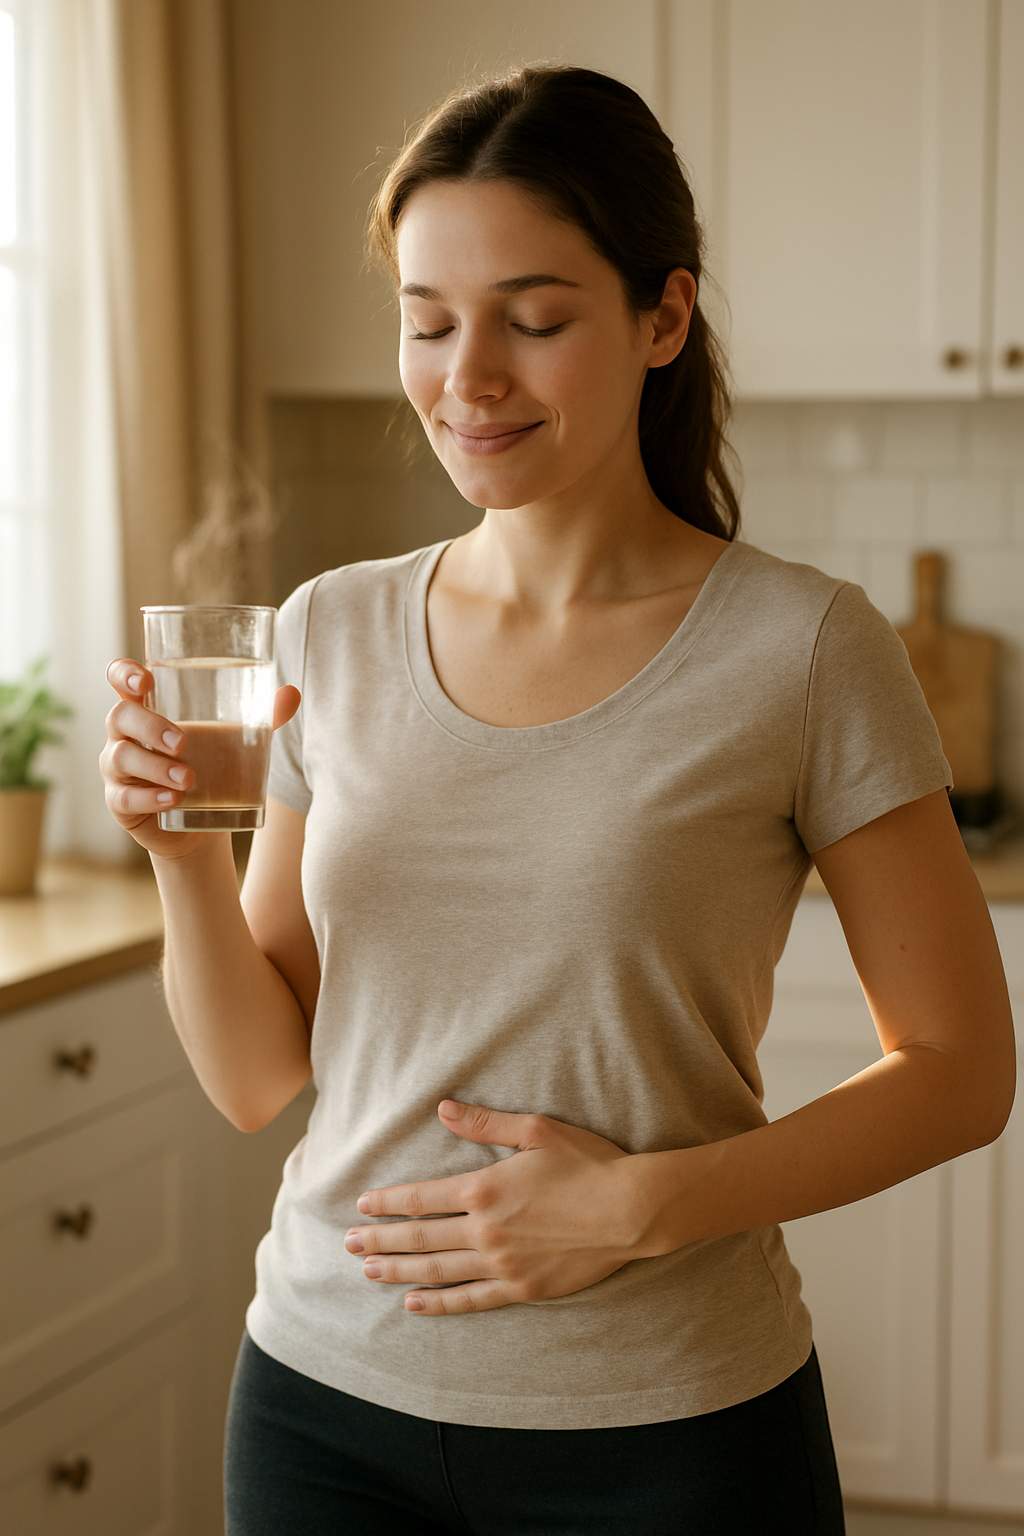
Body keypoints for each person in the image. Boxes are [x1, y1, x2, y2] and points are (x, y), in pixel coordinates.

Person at [100, 65, 1014, 1536]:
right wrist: (176, 860)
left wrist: (639, 1206)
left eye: (533, 320)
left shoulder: (803, 647)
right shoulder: (328, 630)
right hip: (324, 1407)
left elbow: (965, 1070)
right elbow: (257, 1076)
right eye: (428, 320)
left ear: (663, 316)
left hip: (670, 1427)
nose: (470, 377)